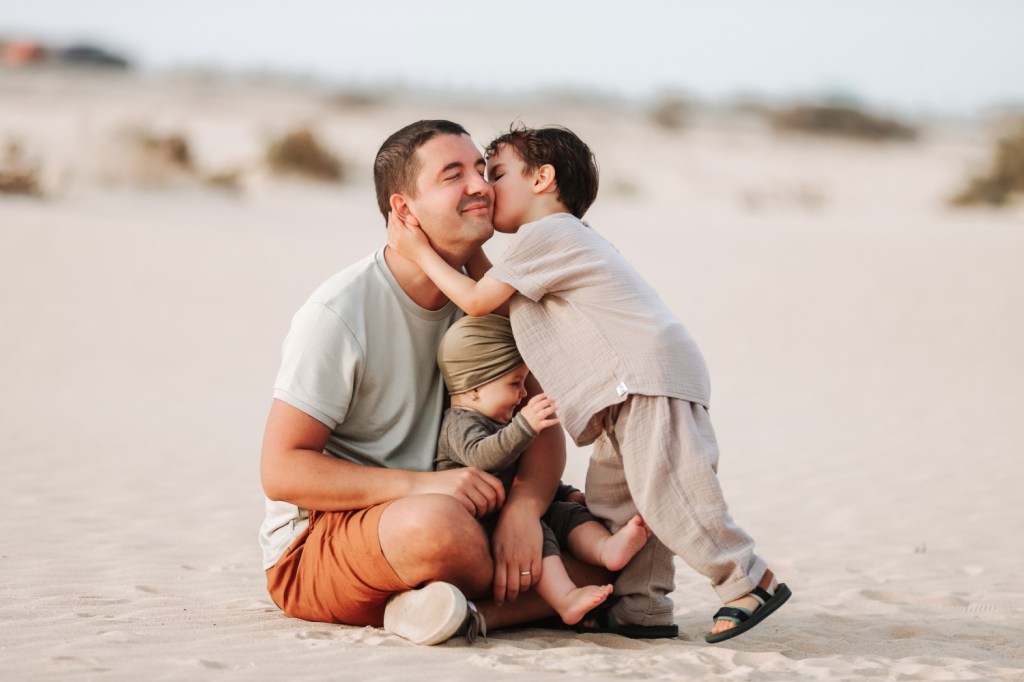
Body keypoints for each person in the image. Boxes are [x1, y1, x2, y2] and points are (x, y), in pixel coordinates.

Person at [386, 124, 792, 643]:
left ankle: (747, 581)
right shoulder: (552, 243)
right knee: (618, 506)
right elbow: (498, 296)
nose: (486, 188)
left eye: (498, 174)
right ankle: (640, 610)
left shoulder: (549, 233)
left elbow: (479, 301)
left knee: (670, 491)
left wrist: (419, 250)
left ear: (543, 179)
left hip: (645, 379)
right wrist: (466, 256)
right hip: (618, 395)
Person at [259, 120, 610, 646]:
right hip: (323, 543)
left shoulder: (487, 303)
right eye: (453, 174)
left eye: (480, 169)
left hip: (469, 511)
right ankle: (477, 599)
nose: (479, 186)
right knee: (437, 527)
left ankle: (451, 611)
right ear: (404, 211)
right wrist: (424, 486)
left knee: (609, 550)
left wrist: (522, 509)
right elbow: (281, 470)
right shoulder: (340, 312)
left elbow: (542, 428)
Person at [434, 313, 652, 625]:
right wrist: (524, 426)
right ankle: (565, 598)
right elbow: (483, 456)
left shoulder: (500, 420)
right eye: (514, 384)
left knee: (566, 512)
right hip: (482, 518)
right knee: (537, 531)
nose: (523, 394)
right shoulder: (459, 423)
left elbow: (519, 471)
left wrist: (565, 492)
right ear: (474, 389)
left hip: (508, 504)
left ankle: (607, 549)